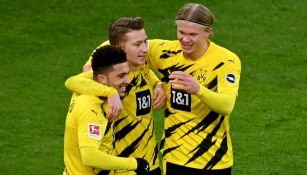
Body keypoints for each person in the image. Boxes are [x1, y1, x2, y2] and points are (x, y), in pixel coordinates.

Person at [146, 3, 241, 175]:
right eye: (181, 32)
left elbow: (227, 105)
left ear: (208, 32)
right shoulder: (165, 51)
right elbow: (124, 42)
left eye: (192, 34)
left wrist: (198, 89)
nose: (185, 39)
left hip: (214, 160)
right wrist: (156, 83)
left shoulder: (226, 61)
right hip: (175, 157)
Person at [64, 17, 165, 175]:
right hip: (122, 165)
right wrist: (109, 92)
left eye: (145, 42)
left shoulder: (139, 61)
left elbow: (143, 70)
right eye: (137, 44)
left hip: (149, 161)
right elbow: (74, 81)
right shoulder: (103, 81)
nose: (145, 49)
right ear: (118, 49)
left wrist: (157, 83)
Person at [63, 45, 150, 175]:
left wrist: (109, 92)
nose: (128, 81)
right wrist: (134, 164)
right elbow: (90, 156)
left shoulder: (89, 84)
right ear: (102, 79)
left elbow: (71, 81)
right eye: (121, 76)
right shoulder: (91, 109)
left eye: (127, 74)